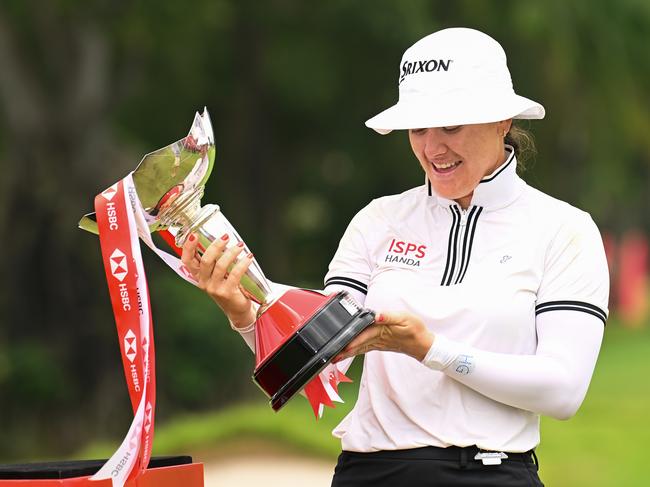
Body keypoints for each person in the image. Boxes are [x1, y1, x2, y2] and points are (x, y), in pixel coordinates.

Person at [181, 28, 609, 487]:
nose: (432, 148)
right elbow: (325, 367)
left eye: (451, 125)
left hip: (490, 473)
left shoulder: (564, 229)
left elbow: (562, 391)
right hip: (369, 473)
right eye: (419, 128)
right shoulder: (379, 219)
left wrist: (429, 350)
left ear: (503, 121)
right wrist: (244, 313)